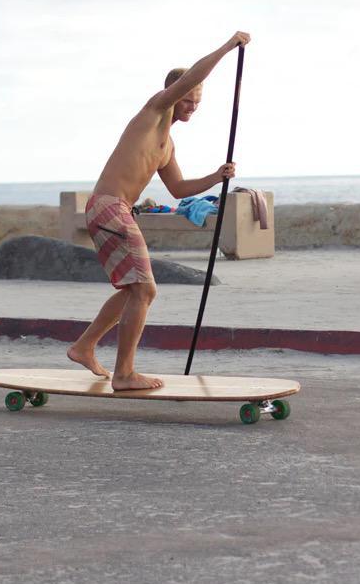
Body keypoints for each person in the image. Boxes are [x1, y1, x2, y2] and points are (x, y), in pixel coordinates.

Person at [67, 31, 251, 390]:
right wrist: (229, 47)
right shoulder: (154, 112)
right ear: (174, 94)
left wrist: (216, 176)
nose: (192, 107)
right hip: (109, 208)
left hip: (114, 210)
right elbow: (193, 77)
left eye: (197, 104)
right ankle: (124, 375)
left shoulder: (167, 146)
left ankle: (85, 345)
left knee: (133, 290)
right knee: (146, 291)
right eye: (188, 101)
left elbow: (179, 190)